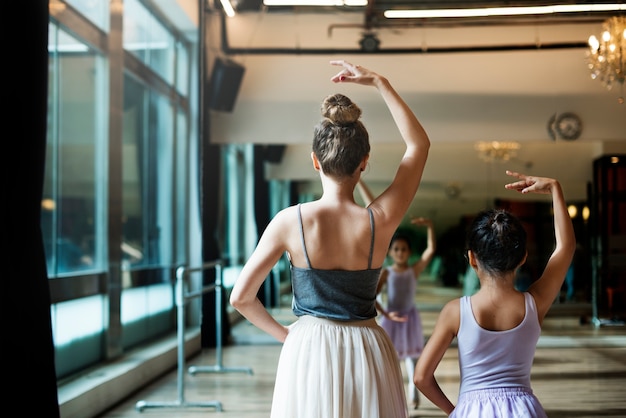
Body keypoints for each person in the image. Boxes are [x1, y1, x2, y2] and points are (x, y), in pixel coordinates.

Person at [229, 59, 431, 418]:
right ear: (364, 162)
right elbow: (418, 145)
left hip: (309, 345)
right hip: (368, 346)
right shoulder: (380, 220)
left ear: (315, 161)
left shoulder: (288, 221)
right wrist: (380, 82)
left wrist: (288, 336)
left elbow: (242, 297)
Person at [414, 170, 576, 417]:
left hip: (472, 410)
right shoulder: (534, 304)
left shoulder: (456, 312)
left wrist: (456, 411)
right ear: (523, 258)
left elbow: (421, 377)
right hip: (525, 410)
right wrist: (555, 188)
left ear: (471, 259)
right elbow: (565, 248)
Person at [357, 179, 436, 410]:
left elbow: (430, 250)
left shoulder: (413, 270)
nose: (400, 252)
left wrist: (430, 226)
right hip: (392, 318)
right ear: (391, 252)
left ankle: (414, 391)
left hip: (409, 317)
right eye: (397, 249)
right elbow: (373, 296)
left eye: (404, 249)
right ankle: (390, 396)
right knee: (389, 357)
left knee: (412, 357)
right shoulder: (387, 273)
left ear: (409, 252)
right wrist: (385, 314)